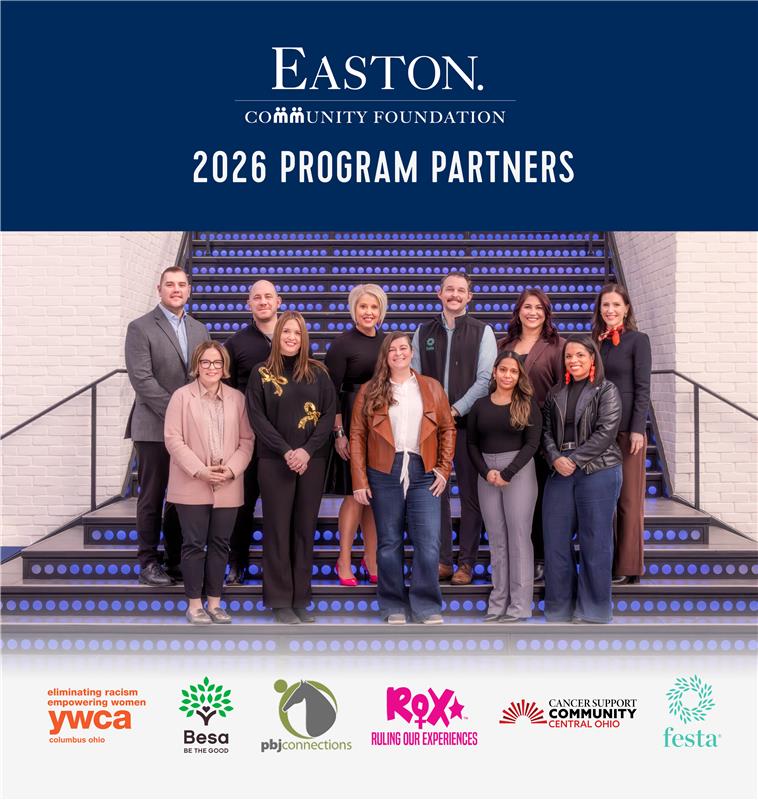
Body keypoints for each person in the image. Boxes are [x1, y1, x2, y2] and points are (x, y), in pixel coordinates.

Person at [351, 332, 456, 624]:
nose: (398, 353)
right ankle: (392, 604)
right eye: (392, 350)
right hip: (385, 471)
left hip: (424, 470)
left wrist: (444, 469)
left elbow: (447, 429)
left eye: (404, 348)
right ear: (385, 356)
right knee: (388, 542)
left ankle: (425, 605)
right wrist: (359, 479)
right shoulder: (370, 390)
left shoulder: (431, 387)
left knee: (428, 541)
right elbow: (358, 435)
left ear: (411, 353)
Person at [246, 311, 336, 624]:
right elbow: (258, 418)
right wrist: (287, 451)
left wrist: (306, 451)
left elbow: (327, 417)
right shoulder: (260, 373)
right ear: (277, 336)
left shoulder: (318, 372)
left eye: (297, 333)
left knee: (303, 531)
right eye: (286, 332)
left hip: (312, 461)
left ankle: (300, 599)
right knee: (277, 530)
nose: (292, 338)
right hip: (274, 461)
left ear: (304, 337)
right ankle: (280, 601)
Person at [124, 266, 209, 586]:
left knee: (180, 496)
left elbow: (205, 375)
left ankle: (174, 561)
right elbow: (141, 380)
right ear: (159, 289)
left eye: (182, 284)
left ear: (189, 290)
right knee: (153, 495)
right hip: (153, 428)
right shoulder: (140, 327)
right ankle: (148, 561)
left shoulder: (200, 330)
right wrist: (178, 411)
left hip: (189, 430)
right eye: (170, 285)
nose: (176, 289)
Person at [411, 271, 496, 586]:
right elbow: (415, 377)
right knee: (437, 492)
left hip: (469, 424)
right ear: (439, 293)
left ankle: (466, 563)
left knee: (471, 496)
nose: (455, 294)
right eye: (450, 289)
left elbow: (486, 379)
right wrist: (436, 413)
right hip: (432, 427)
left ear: (469, 297)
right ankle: (443, 561)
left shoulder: (482, 332)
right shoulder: (423, 332)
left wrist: (456, 409)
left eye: (461, 290)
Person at [164, 342, 254, 624]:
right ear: (197, 365)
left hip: (227, 484)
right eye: (206, 362)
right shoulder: (181, 397)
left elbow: (247, 441)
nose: (211, 368)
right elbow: (173, 439)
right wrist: (200, 471)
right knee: (193, 545)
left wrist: (231, 470)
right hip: (192, 483)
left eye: (217, 363)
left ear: (224, 367)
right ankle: (194, 606)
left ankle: (214, 603)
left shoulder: (237, 399)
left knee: (220, 545)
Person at [542, 336, 623, 624]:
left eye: (579, 355)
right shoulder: (555, 393)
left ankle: (594, 610)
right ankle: (559, 608)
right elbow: (546, 432)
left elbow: (607, 432)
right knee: (554, 541)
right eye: (568, 356)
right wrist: (554, 457)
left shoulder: (606, 390)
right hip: (560, 471)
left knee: (595, 541)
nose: (573, 360)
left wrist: (574, 459)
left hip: (598, 470)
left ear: (592, 358)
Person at [498, 288, 566, 582]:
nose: (533, 312)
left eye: (539, 308)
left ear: (546, 312)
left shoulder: (557, 346)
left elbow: (563, 390)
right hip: (507, 433)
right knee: (512, 500)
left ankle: (538, 558)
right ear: (519, 311)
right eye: (527, 307)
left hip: (542, 433)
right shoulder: (505, 344)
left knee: (537, 500)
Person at [467, 352, 541, 622]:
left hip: (518, 471)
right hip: (487, 474)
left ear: (520, 376)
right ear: (495, 371)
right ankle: (497, 603)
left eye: (514, 371)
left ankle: (520, 606)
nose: (508, 375)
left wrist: (508, 472)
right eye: (503, 370)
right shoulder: (480, 405)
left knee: (519, 538)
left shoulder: (527, 405)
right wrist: (486, 472)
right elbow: (472, 444)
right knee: (497, 540)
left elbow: (532, 444)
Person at [324, 284, 387, 586]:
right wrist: (339, 433)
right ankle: (344, 559)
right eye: (363, 307)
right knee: (354, 494)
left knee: (373, 496)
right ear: (354, 310)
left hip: (380, 424)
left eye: (374, 308)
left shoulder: (387, 343)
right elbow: (330, 393)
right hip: (349, 420)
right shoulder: (342, 344)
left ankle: (371, 557)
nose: (368, 312)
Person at [592, 283, 652, 585]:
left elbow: (643, 388)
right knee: (606, 500)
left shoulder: (638, 341)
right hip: (600, 431)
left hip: (628, 431)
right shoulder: (596, 342)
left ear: (626, 308)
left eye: (616, 305)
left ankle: (628, 566)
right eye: (605, 305)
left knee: (628, 500)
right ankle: (607, 561)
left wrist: (639, 429)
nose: (610, 310)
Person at [223, 279, 281, 584]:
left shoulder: (292, 338)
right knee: (242, 504)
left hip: (282, 439)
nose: (262, 302)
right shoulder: (236, 343)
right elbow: (227, 391)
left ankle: (276, 567)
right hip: (247, 437)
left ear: (278, 301)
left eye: (268, 297)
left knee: (278, 506)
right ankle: (237, 563)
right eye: (256, 298)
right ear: (249, 304)